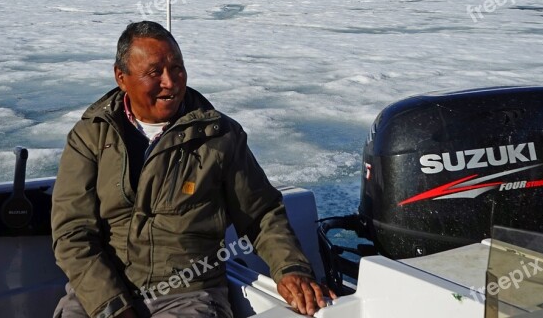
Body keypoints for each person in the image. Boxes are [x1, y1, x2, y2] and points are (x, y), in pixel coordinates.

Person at [52, 21, 335, 318]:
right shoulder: (91, 137)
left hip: (187, 296)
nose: (170, 82)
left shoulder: (219, 136)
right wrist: (112, 307)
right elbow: (72, 232)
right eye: (154, 72)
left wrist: (291, 268)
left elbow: (261, 213)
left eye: (177, 68)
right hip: (100, 295)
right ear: (121, 77)